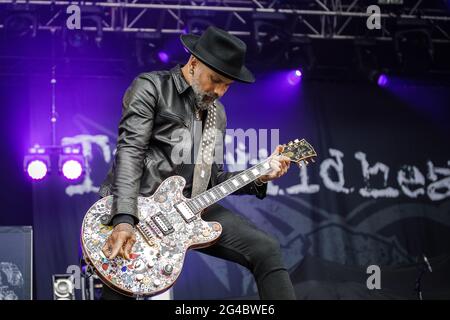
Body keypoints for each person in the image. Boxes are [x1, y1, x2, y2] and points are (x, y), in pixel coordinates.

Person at [98, 26, 296, 300]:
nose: (220, 91)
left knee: (266, 249)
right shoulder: (152, 87)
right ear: (192, 64)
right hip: (140, 208)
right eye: (215, 80)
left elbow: (213, 180)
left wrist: (261, 175)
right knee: (122, 286)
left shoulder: (218, 113)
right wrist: (124, 219)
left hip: (192, 209)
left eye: (227, 85)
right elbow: (130, 152)